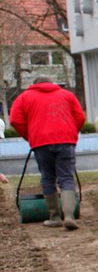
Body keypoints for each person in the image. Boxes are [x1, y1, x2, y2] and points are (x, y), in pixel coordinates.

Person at [10, 76, 86, 230]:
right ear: (52, 83)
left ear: (34, 84)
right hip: (66, 142)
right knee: (66, 177)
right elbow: (80, 117)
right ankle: (69, 216)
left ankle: (55, 217)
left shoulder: (24, 97)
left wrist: (30, 136)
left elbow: (15, 120)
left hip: (41, 143)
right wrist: (70, 133)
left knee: (47, 178)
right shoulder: (67, 95)